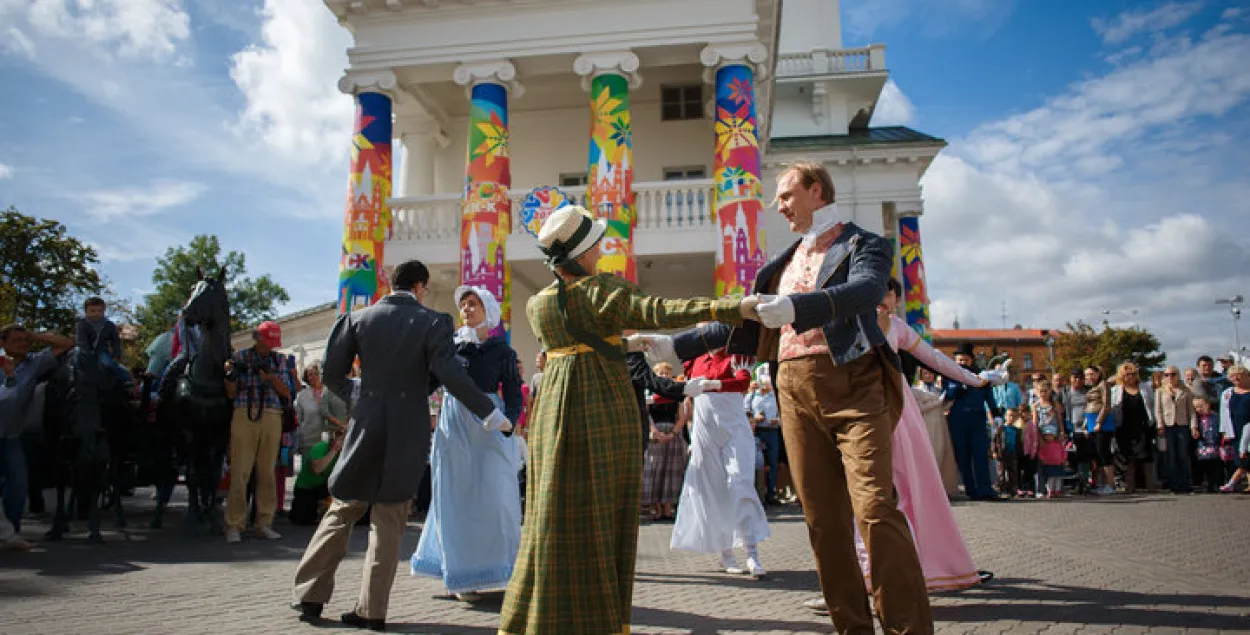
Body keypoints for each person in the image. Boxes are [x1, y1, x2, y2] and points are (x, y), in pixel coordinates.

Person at [647, 163, 932, 633]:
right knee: (822, 521)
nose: (778, 207)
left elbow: (866, 291)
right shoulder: (780, 264)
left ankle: (908, 629)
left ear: (816, 191)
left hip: (856, 386)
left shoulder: (866, 244)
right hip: (793, 391)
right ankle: (852, 628)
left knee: (876, 509)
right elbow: (744, 321)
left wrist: (798, 307)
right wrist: (676, 345)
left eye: (785, 196)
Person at [498, 206, 753, 635]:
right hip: (600, 402)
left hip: (554, 404)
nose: (602, 246)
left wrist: (626, 341)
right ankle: (596, 619)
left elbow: (579, 335)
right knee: (604, 511)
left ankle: (539, 616)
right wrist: (733, 307)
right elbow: (661, 310)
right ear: (582, 252)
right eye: (595, 241)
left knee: (550, 510)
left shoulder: (536, 304)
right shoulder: (603, 290)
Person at [291, 259, 511, 631]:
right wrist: (490, 412)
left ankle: (309, 595)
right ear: (421, 286)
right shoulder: (433, 322)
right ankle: (371, 610)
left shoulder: (357, 319)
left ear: (391, 284)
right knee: (389, 518)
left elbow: (330, 372)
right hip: (408, 428)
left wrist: (358, 393)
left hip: (366, 423)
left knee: (344, 506)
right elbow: (449, 374)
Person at [411, 286, 524, 602]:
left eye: (473, 304)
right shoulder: (450, 349)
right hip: (455, 428)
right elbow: (427, 383)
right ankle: (459, 576)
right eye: (463, 305)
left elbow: (514, 395)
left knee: (497, 497)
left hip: (490, 428)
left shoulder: (503, 352)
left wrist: (509, 423)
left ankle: (501, 568)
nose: (467, 309)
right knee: (456, 498)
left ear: (488, 310)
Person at [670, 346, 771, 577]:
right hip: (705, 430)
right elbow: (683, 391)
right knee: (712, 489)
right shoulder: (693, 359)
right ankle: (726, 553)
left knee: (741, 482)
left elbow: (742, 383)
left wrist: (714, 385)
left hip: (734, 427)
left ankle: (752, 552)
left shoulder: (736, 355)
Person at [222, 321, 295, 544]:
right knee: (241, 471)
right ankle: (234, 524)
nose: (269, 347)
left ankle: (264, 522)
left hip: (272, 414)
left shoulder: (279, 360)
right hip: (245, 411)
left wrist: (271, 377)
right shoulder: (240, 358)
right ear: (258, 339)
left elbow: (287, 393)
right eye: (268, 342)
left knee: (267, 472)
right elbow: (231, 393)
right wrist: (230, 377)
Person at [1, 324, 72, 537]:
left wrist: (35, 335)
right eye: (16, 340)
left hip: (11, 435)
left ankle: (11, 533)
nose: (23, 344)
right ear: (3, 343)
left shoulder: (35, 363)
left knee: (18, 484)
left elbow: (67, 344)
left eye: (25, 340)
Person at [944, 343, 1001, 501]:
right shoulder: (950, 375)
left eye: (965, 360)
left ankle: (985, 489)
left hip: (977, 419)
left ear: (971, 361)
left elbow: (989, 396)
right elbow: (947, 395)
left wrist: (996, 414)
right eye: (959, 360)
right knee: (963, 456)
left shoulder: (981, 377)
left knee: (980, 454)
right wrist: (956, 387)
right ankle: (971, 490)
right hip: (958, 420)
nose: (962, 363)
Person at [641, 362, 691, 521]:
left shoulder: (676, 393)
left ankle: (668, 507)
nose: (664, 376)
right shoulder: (649, 392)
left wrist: (672, 433)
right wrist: (655, 432)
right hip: (655, 435)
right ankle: (656, 506)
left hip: (673, 434)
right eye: (660, 373)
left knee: (672, 472)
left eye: (667, 373)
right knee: (654, 470)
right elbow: (645, 414)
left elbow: (683, 416)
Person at [1110, 362, 1155, 494]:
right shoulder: (1116, 390)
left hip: (1142, 426)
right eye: (1126, 375)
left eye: (1132, 374)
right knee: (1127, 457)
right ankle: (1130, 485)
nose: (1129, 377)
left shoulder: (1145, 388)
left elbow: (1151, 405)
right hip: (1123, 427)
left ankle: (1150, 484)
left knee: (1146, 456)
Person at [1154, 365, 1196, 494]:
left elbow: (1191, 411)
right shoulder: (1160, 391)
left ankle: (1186, 483)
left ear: (1178, 375)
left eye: (1173, 374)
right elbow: (1158, 410)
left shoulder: (1186, 390)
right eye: (1167, 375)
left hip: (1182, 425)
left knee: (1183, 455)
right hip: (1167, 425)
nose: (1170, 377)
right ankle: (1173, 484)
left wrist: (1194, 426)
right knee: (1170, 456)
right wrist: (1160, 425)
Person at [289, 429, 343, 525]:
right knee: (303, 519)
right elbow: (317, 469)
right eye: (340, 435)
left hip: (327, 486)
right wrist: (334, 450)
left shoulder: (346, 452)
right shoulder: (320, 447)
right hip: (307, 487)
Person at [1217, 365, 1250, 492]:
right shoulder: (1228, 393)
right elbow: (1224, 413)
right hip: (1235, 427)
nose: (1236, 378)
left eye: (1239, 375)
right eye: (1233, 376)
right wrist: (1224, 431)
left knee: (1247, 457)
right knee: (1242, 455)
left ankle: (1235, 483)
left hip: (1249, 426)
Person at [750, 378, 782, 506]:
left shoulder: (774, 397)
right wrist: (755, 418)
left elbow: (781, 413)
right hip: (757, 431)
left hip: (772, 431)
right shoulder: (752, 396)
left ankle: (771, 493)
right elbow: (745, 412)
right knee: (756, 463)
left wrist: (777, 421)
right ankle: (757, 494)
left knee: (773, 463)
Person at [1084, 366, 1115, 495]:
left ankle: (1110, 485)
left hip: (1102, 423)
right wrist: (1086, 425)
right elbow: (1088, 406)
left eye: (1092, 374)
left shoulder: (1104, 384)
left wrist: (1099, 422)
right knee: (1096, 454)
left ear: (1098, 373)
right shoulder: (1091, 387)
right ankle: (1101, 484)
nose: (1089, 377)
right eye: (1087, 375)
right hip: (1091, 423)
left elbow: (1106, 404)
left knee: (1104, 453)